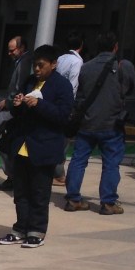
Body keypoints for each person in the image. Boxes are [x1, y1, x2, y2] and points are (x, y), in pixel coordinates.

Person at [0, 44, 74, 249]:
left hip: (44, 146)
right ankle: (20, 228)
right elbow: (16, 111)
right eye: (35, 66)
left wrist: (39, 104)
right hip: (23, 144)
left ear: (53, 64)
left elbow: (62, 115)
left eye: (41, 65)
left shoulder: (62, 85)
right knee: (20, 192)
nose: (37, 70)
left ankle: (36, 230)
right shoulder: (30, 81)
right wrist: (18, 103)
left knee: (39, 193)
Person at [64, 30, 135, 215]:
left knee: (79, 160)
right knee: (111, 163)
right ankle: (108, 202)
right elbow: (130, 88)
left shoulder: (86, 67)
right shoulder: (122, 66)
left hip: (87, 123)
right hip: (112, 124)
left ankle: (73, 198)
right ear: (116, 46)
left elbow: (81, 94)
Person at [0, 35, 31, 191]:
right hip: (16, 109)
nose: (9, 54)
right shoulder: (21, 62)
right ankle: (14, 176)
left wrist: (8, 103)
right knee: (8, 143)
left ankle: (12, 177)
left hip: (15, 111)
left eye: (12, 50)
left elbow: (18, 88)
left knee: (4, 142)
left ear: (21, 48)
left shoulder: (25, 63)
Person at [53, 31, 84, 185]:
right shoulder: (77, 62)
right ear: (81, 45)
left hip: (54, 101)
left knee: (55, 135)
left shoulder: (60, 58)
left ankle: (56, 171)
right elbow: (74, 84)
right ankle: (58, 173)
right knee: (64, 139)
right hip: (66, 104)